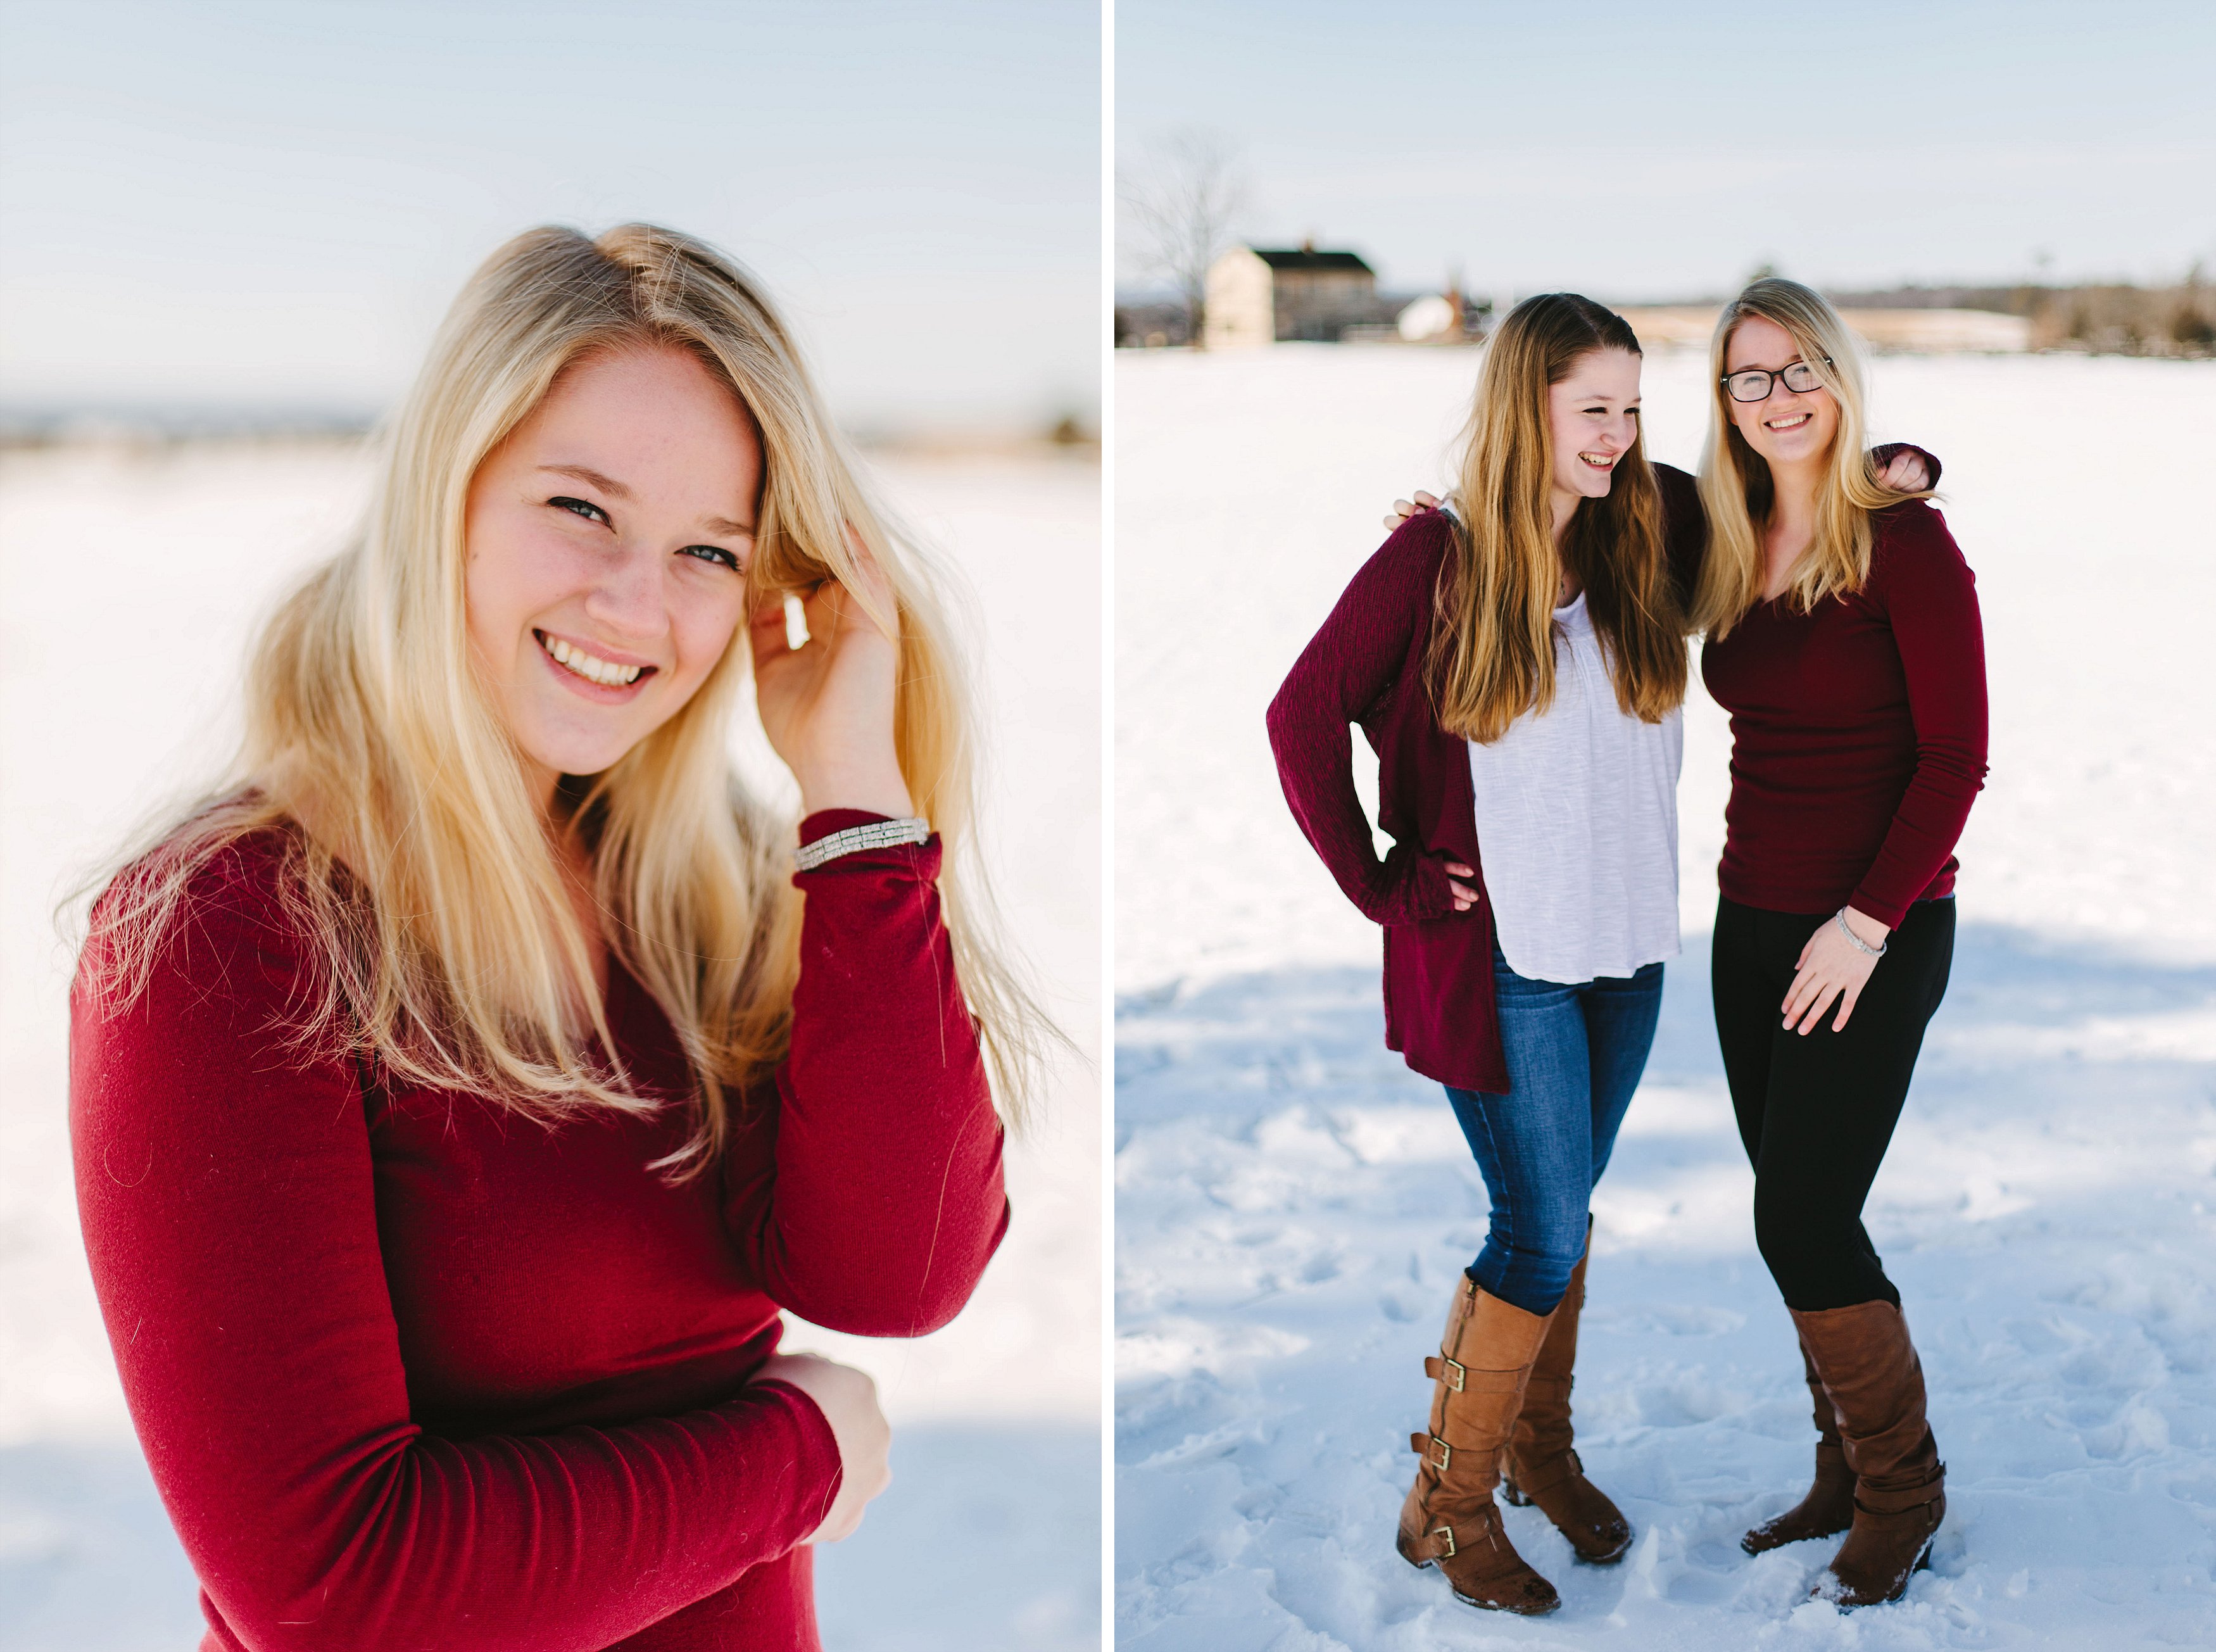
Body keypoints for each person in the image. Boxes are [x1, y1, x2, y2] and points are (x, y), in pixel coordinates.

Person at [69, 224, 1048, 1651]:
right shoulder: (226, 939)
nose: (639, 606)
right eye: (582, 509)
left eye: (709, 548)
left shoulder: (689, 889)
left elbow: (897, 1275)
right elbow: (341, 1596)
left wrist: (858, 807)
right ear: (444, 493)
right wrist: (797, 1462)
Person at [1271, 293, 1935, 1617]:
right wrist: (1382, 879)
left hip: (1624, 946)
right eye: (1594, 410)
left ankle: (1538, 1457)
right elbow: (1300, 716)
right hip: (1499, 951)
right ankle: (1447, 1513)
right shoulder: (1437, 561)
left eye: (1634, 409)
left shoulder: (1654, 523)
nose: (1622, 435)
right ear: (1528, 413)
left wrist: (1887, 472)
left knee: (1561, 1217)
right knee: (1536, 1226)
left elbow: (1784, 474)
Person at [1692, 277, 1986, 1606]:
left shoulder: (1903, 539)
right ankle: (1842, 1469)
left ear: (1840, 372)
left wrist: (1863, 926)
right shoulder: (1718, 528)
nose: (1781, 395)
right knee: (1788, 1213)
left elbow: (1955, 755)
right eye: (1751, 376)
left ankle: (1903, 1490)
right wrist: (1440, 528)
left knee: (1806, 1216)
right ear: (1724, 400)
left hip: (1873, 929)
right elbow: (1559, 492)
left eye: (1801, 366)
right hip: (1748, 924)